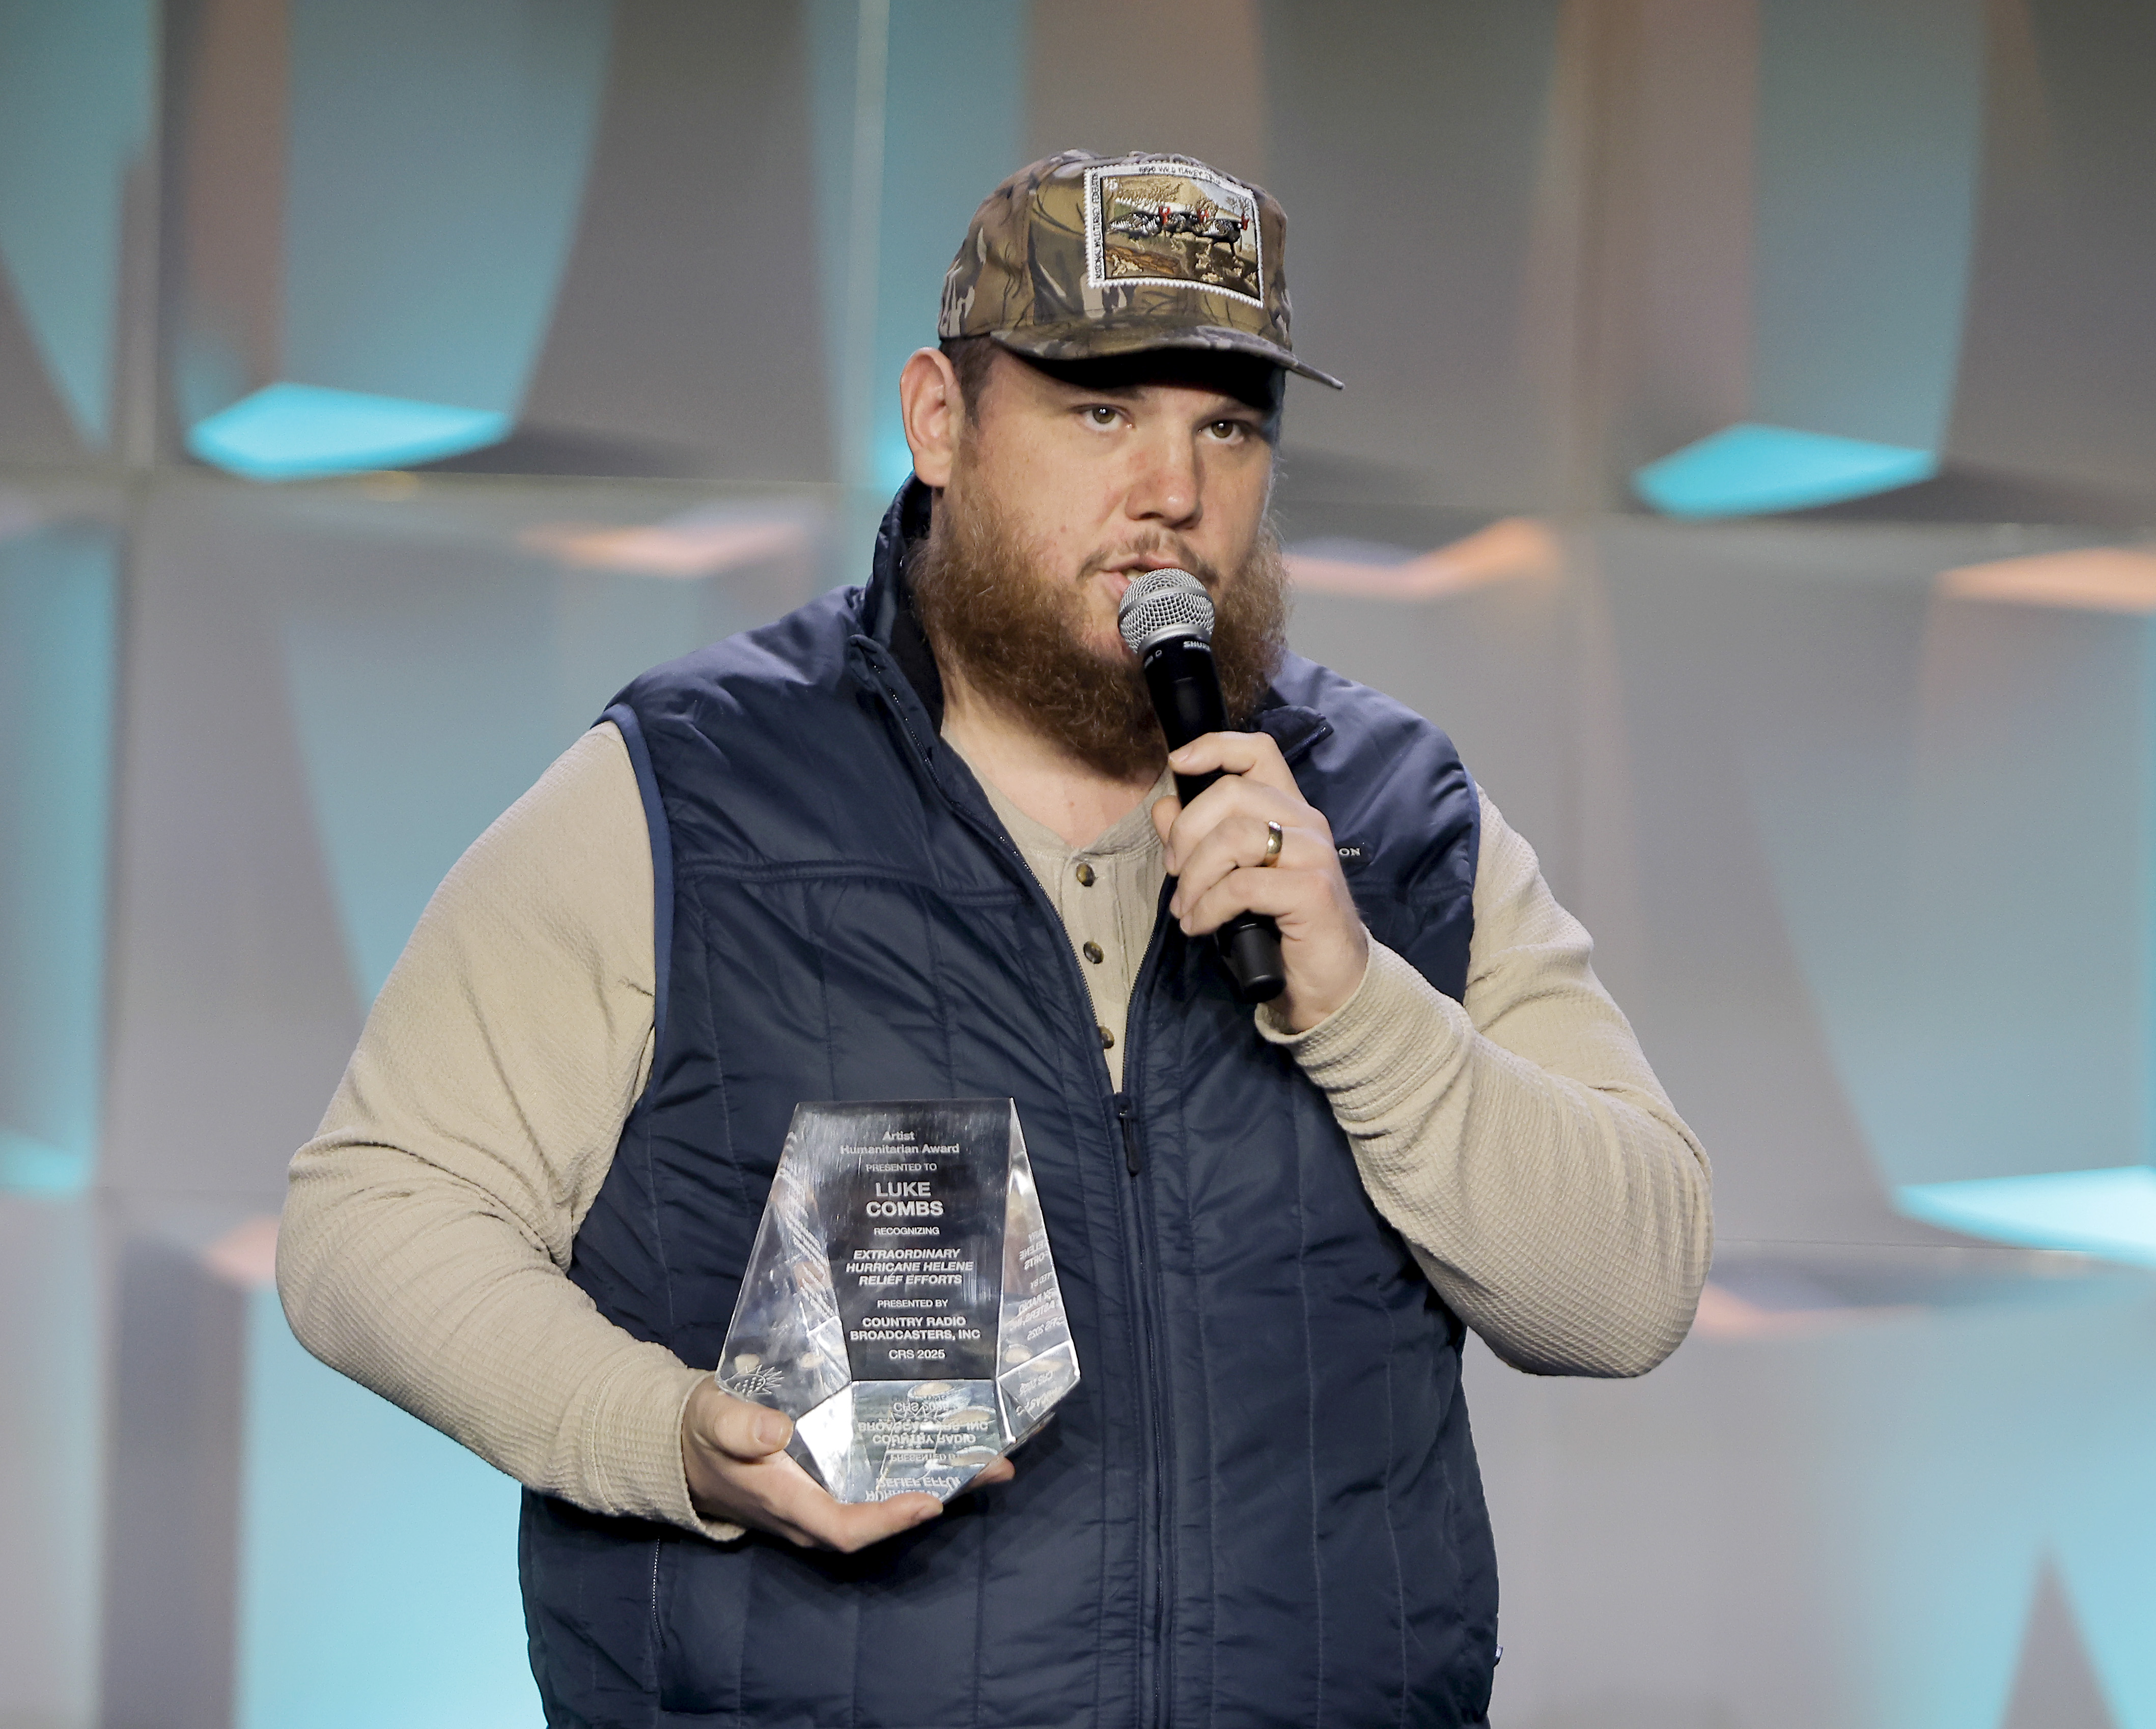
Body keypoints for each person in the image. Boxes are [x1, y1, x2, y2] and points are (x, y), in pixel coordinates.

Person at [277, 149, 1711, 1728]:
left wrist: (1361, 1004)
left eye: (1226, 427)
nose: (1172, 490)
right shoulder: (693, 792)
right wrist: (670, 1434)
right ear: (939, 420)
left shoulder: (1395, 816)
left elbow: (1625, 1292)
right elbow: (372, 1218)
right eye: (1103, 414)